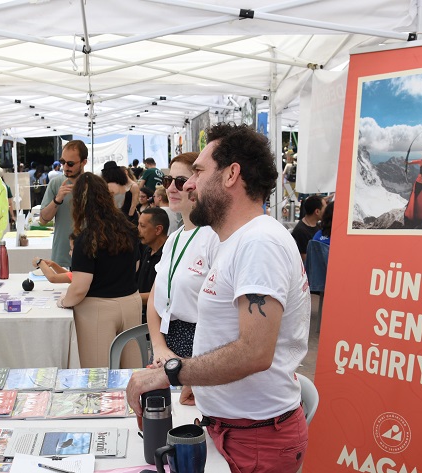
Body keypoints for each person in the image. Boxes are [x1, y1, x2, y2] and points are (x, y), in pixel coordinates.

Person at [127, 123, 310, 473]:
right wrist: (202, 382)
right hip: (235, 429)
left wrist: (173, 371)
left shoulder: (259, 243)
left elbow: (254, 352)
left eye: (197, 171)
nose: (189, 184)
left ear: (231, 175)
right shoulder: (236, 240)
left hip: (255, 440)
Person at [146, 152, 220, 403]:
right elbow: (155, 298)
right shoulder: (175, 238)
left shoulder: (213, 237)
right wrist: (159, 346)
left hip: (201, 349)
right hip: (165, 347)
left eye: (181, 181)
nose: (172, 188)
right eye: (168, 181)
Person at [57, 173, 142, 368]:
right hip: (131, 302)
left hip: (97, 309)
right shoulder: (127, 228)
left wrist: (64, 301)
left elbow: (80, 287)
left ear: (78, 202)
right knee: (131, 373)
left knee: (99, 376)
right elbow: (135, 266)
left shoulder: (86, 238)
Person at [39, 140, 88, 267]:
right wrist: (57, 199)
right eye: (62, 162)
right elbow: (43, 220)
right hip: (62, 257)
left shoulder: (94, 185)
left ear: (84, 162)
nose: (65, 167)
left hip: (90, 256)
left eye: (70, 164)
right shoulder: (56, 183)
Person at [135, 207, 169, 323]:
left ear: (158, 229)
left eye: (142, 226)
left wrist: (131, 299)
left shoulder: (169, 255)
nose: (138, 229)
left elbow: (164, 295)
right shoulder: (147, 250)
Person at [291, 194, 325, 262]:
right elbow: (306, 260)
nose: (326, 212)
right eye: (325, 208)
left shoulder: (318, 226)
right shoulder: (301, 231)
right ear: (317, 212)